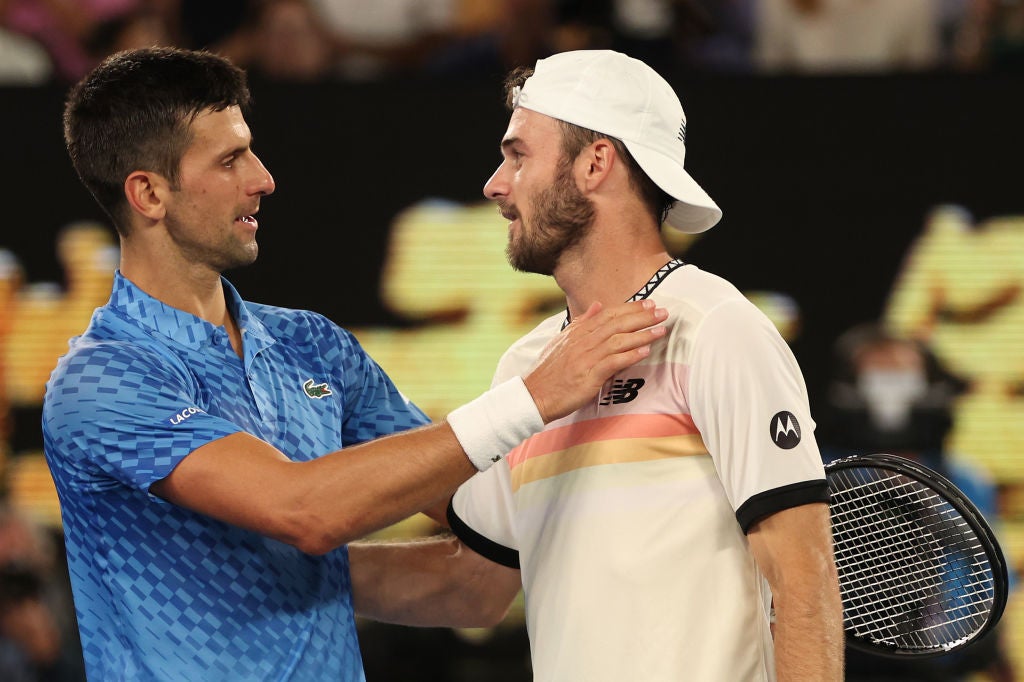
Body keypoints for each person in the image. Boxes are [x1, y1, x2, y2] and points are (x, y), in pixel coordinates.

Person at [41, 46, 669, 681]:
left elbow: (482, 562)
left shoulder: (313, 345)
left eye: (250, 150)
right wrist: (532, 397)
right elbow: (304, 513)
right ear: (148, 193)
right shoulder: (99, 380)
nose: (263, 178)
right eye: (230, 159)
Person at [348, 49, 844, 681]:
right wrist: (282, 573)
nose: (495, 185)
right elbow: (473, 584)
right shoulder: (527, 367)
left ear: (594, 162)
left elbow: (804, 584)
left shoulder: (715, 328)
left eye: (518, 154)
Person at [818, 322, 1016, 682]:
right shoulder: (815, 475)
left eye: (903, 373)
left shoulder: (968, 478)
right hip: (842, 662)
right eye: (879, 372)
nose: (892, 385)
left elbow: (995, 578)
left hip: (941, 666)